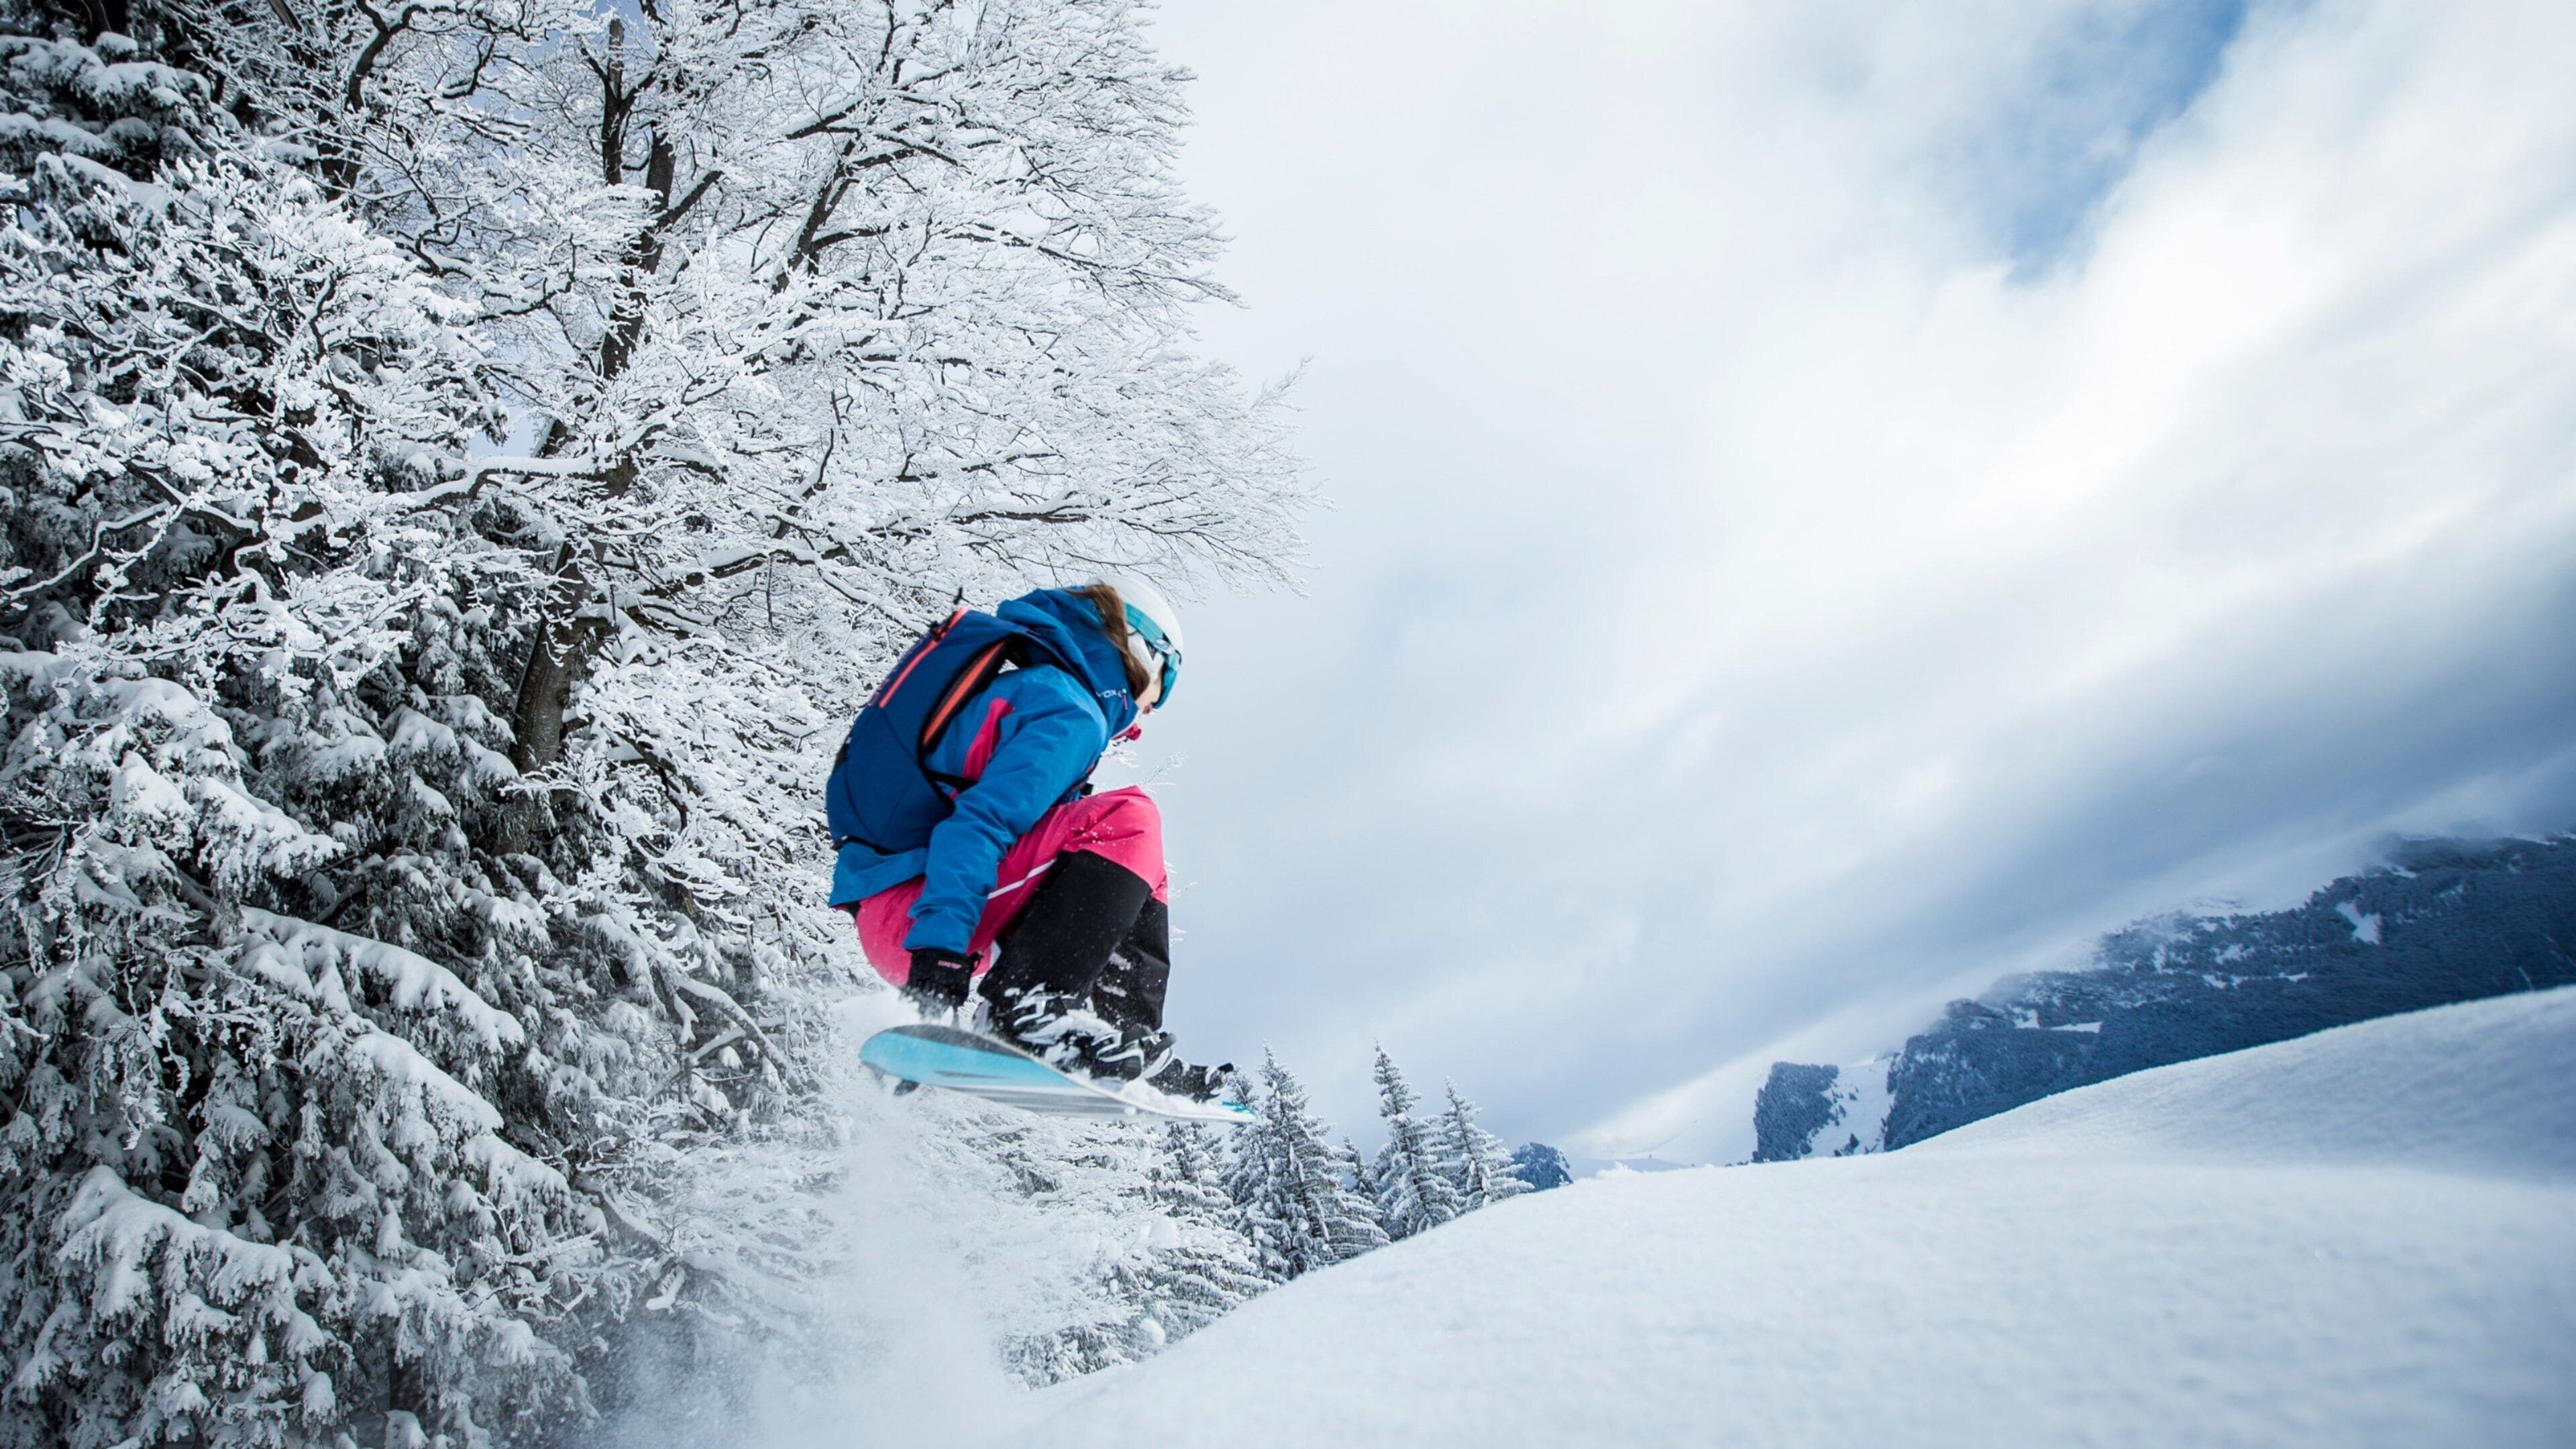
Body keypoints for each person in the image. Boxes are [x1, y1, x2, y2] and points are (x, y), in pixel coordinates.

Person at [830, 576, 1232, 1099]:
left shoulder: (1046, 694)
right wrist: (939, 958)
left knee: (1144, 867)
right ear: (1141, 652)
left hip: (911, 915)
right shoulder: (1069, 709)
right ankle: (1027, 1006)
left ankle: (1124, 1037)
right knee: (1129, 819)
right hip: (920, 922)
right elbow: (980, 824)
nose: (1156, 706)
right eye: (1167, 680)